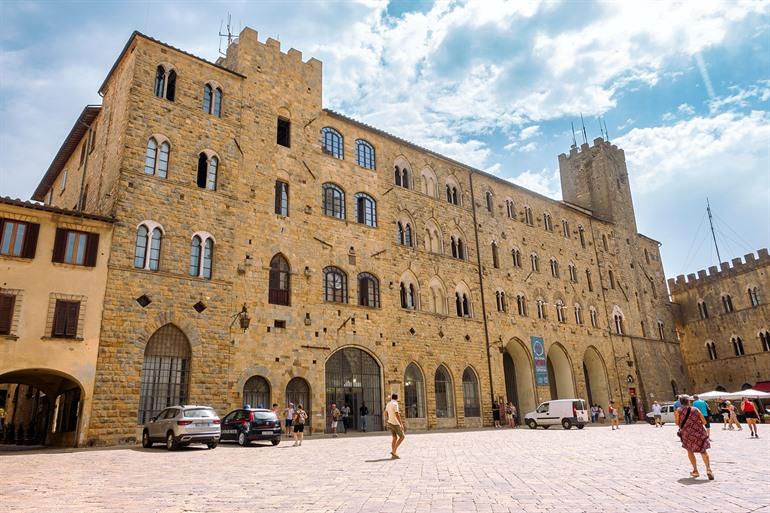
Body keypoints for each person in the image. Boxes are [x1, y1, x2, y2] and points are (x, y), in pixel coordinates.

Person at [675, 395, 713, 480]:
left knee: (690, 450)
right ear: (689, 401)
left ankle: (695, 470)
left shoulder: (678, 410)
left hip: (687, 434)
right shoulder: (696, 410)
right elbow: (704, 421)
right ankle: (708, 469)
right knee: (703, 451)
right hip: (699, 432)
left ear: (681, 402)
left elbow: (677, 423)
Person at [385, 393, 406, 459]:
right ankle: (394, 451)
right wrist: (401, 424)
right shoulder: (395, 404)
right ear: (397, 398)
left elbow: (385, 413)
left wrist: (388, 419)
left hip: (390, 422)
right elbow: (397, 414)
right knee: (402, 437)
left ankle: (393, 454)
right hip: (395, 423)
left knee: (394, 438)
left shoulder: (388, 404)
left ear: (392, 398)